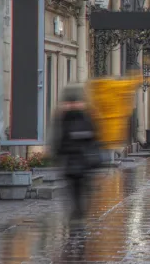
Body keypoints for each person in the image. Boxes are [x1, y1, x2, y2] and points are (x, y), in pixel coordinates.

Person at [52, 84, 99, 222]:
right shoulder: (64, 117)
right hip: (71, 162)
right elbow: (57, 138)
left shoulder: (86, 116)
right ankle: (76, 213)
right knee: (73, 190)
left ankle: (78, 212)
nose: (73, 104)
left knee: (81, 190)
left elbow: (94, 138)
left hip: (83, 162)